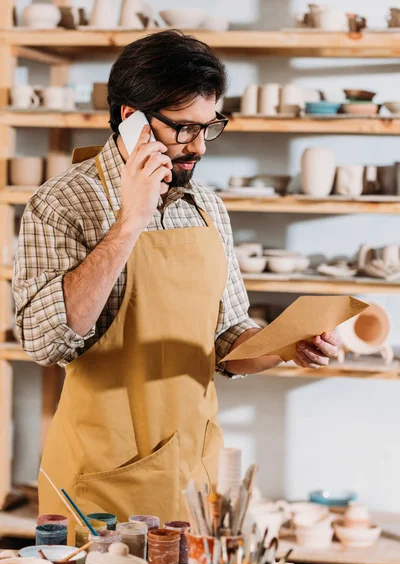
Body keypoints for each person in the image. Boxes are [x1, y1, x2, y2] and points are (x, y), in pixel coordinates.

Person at [13, 30, 339, 524]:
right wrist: (130, 222)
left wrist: (288, 345)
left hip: (194, 478)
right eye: (183, 128)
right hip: (100, 485)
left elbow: (228, 340)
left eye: (209, 127)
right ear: (131, 120)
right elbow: (43, 343)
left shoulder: (207, 206)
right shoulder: (60, 204)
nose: (199, 147)